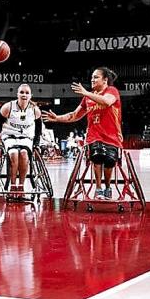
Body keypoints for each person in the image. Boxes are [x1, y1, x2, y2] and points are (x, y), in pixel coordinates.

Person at [42, 67, 122, 200]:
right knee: (97, 156)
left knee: (109, 160)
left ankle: (108, 187)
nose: (92, 79)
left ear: (105, 80)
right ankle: (98, 188)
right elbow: (74, 115)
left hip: (112, 136)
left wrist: (86, 92)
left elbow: (107, 102)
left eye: (96, 77)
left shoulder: (111, 91)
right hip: (94, 136)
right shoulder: (87, 98)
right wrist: (57, 118)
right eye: (92, 77)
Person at [0, 84, 42, 193]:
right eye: (22, 92)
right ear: (17, 94)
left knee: (24, 154)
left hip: (26, 137)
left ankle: (21, 186)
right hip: (9, 136)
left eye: (27, 93)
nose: (24, 95)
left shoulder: (35, 110)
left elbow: (39, 129)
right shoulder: (8, 107)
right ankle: (13, 185)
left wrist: (36, 144)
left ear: (31, 96)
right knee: (14, 154)